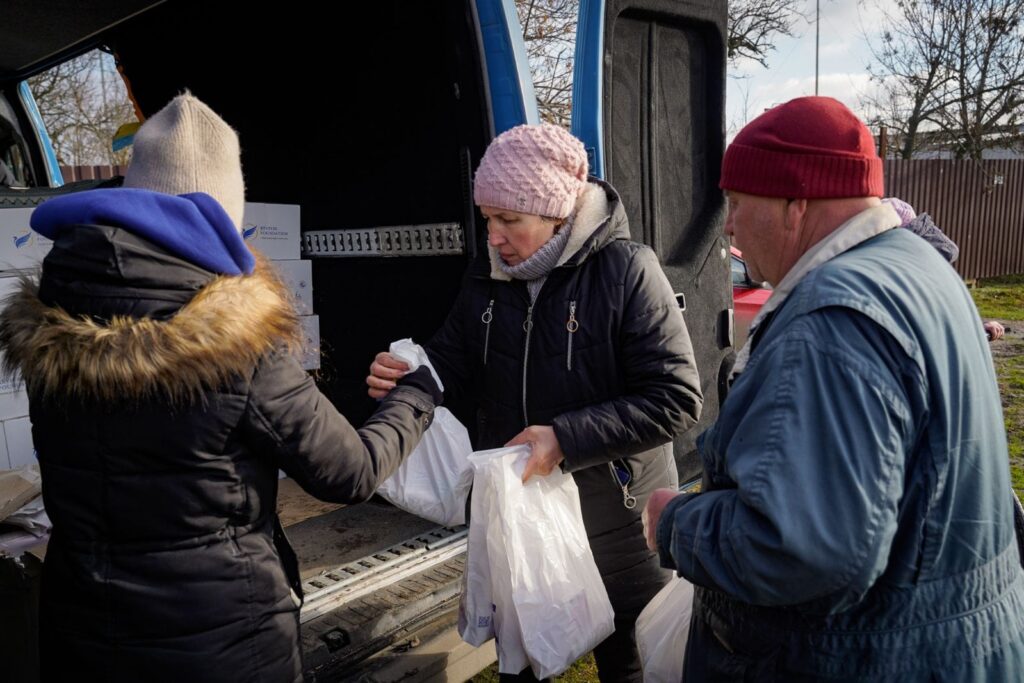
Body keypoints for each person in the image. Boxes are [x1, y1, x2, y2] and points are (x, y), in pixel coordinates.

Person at [0, 93, 440, 683]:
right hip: (224, 642)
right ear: (222, 213)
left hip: (82, 632)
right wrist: (416, 397)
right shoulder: (236, 342)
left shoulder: (53, 319)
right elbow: (349, 473)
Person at [644, 96, 1024, 681]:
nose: (731, 227)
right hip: (946, 639)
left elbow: (804, 552)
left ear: (797, 203)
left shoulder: (831, 323)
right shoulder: (916, 266)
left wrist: (675, 523)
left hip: (866, 657)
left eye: (740, 202)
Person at [367, 123, 703, 681]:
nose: (493, 237)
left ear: (554, 213)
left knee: (629, 664)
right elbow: (448, 359)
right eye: (488, 220)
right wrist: (409, 374)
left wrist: (565, 438)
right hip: (524, 520)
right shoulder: (487, 275)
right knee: (522, 663)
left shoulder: (626, 270)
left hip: (617, 526)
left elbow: (675, 398)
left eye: (508, 220)